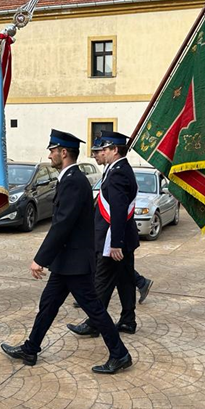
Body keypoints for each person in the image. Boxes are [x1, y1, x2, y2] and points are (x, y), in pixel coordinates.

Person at [0, 129, 132, 374]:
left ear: (64, 152)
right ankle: (30, 349)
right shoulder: (69, 178)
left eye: (52, 150)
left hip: (75, 263)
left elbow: (62, 224)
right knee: (48, 304)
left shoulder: (73, 180)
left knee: (95, 311)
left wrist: (40, 259)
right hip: (67, 262)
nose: (50, 155)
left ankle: (120, 354)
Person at [68, 130, 140, 337]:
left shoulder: (118, 173)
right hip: (122, 238)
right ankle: (128, 320)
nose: (98, 154)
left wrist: (115, 243)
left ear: (114, 150)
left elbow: (118, 209)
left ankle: (93, 323)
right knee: (125, 280)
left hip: (113, 240)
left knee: (101, 281)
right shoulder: (118, 169)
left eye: (103, 150)